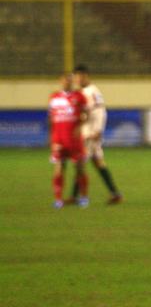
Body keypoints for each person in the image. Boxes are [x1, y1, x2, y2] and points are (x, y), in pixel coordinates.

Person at [70, 64, 123, 205]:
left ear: (85, 76)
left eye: (78, 77)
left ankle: (74, 196)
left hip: (90, 134)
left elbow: (100, 112)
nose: (76, 80)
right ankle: (115, 193)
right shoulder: (83, 92)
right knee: (98, 162)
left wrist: (97, 131)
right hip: (88, 132)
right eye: (75, 77)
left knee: (80, 163)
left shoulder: (92, 92)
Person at [48, 74, 89, 209]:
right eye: (65, 80)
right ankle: (58, 199)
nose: (67, 83)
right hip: (59, 139)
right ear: (60, 81)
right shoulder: (54, 97)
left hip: (74, 140)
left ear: (72, 82)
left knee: (79, 168)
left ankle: (84, 197)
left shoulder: (79, 96)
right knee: (59, 168)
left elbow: (87, 114)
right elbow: (51, 118)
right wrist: (51, 137)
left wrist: (80, 126)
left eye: (70, 81)